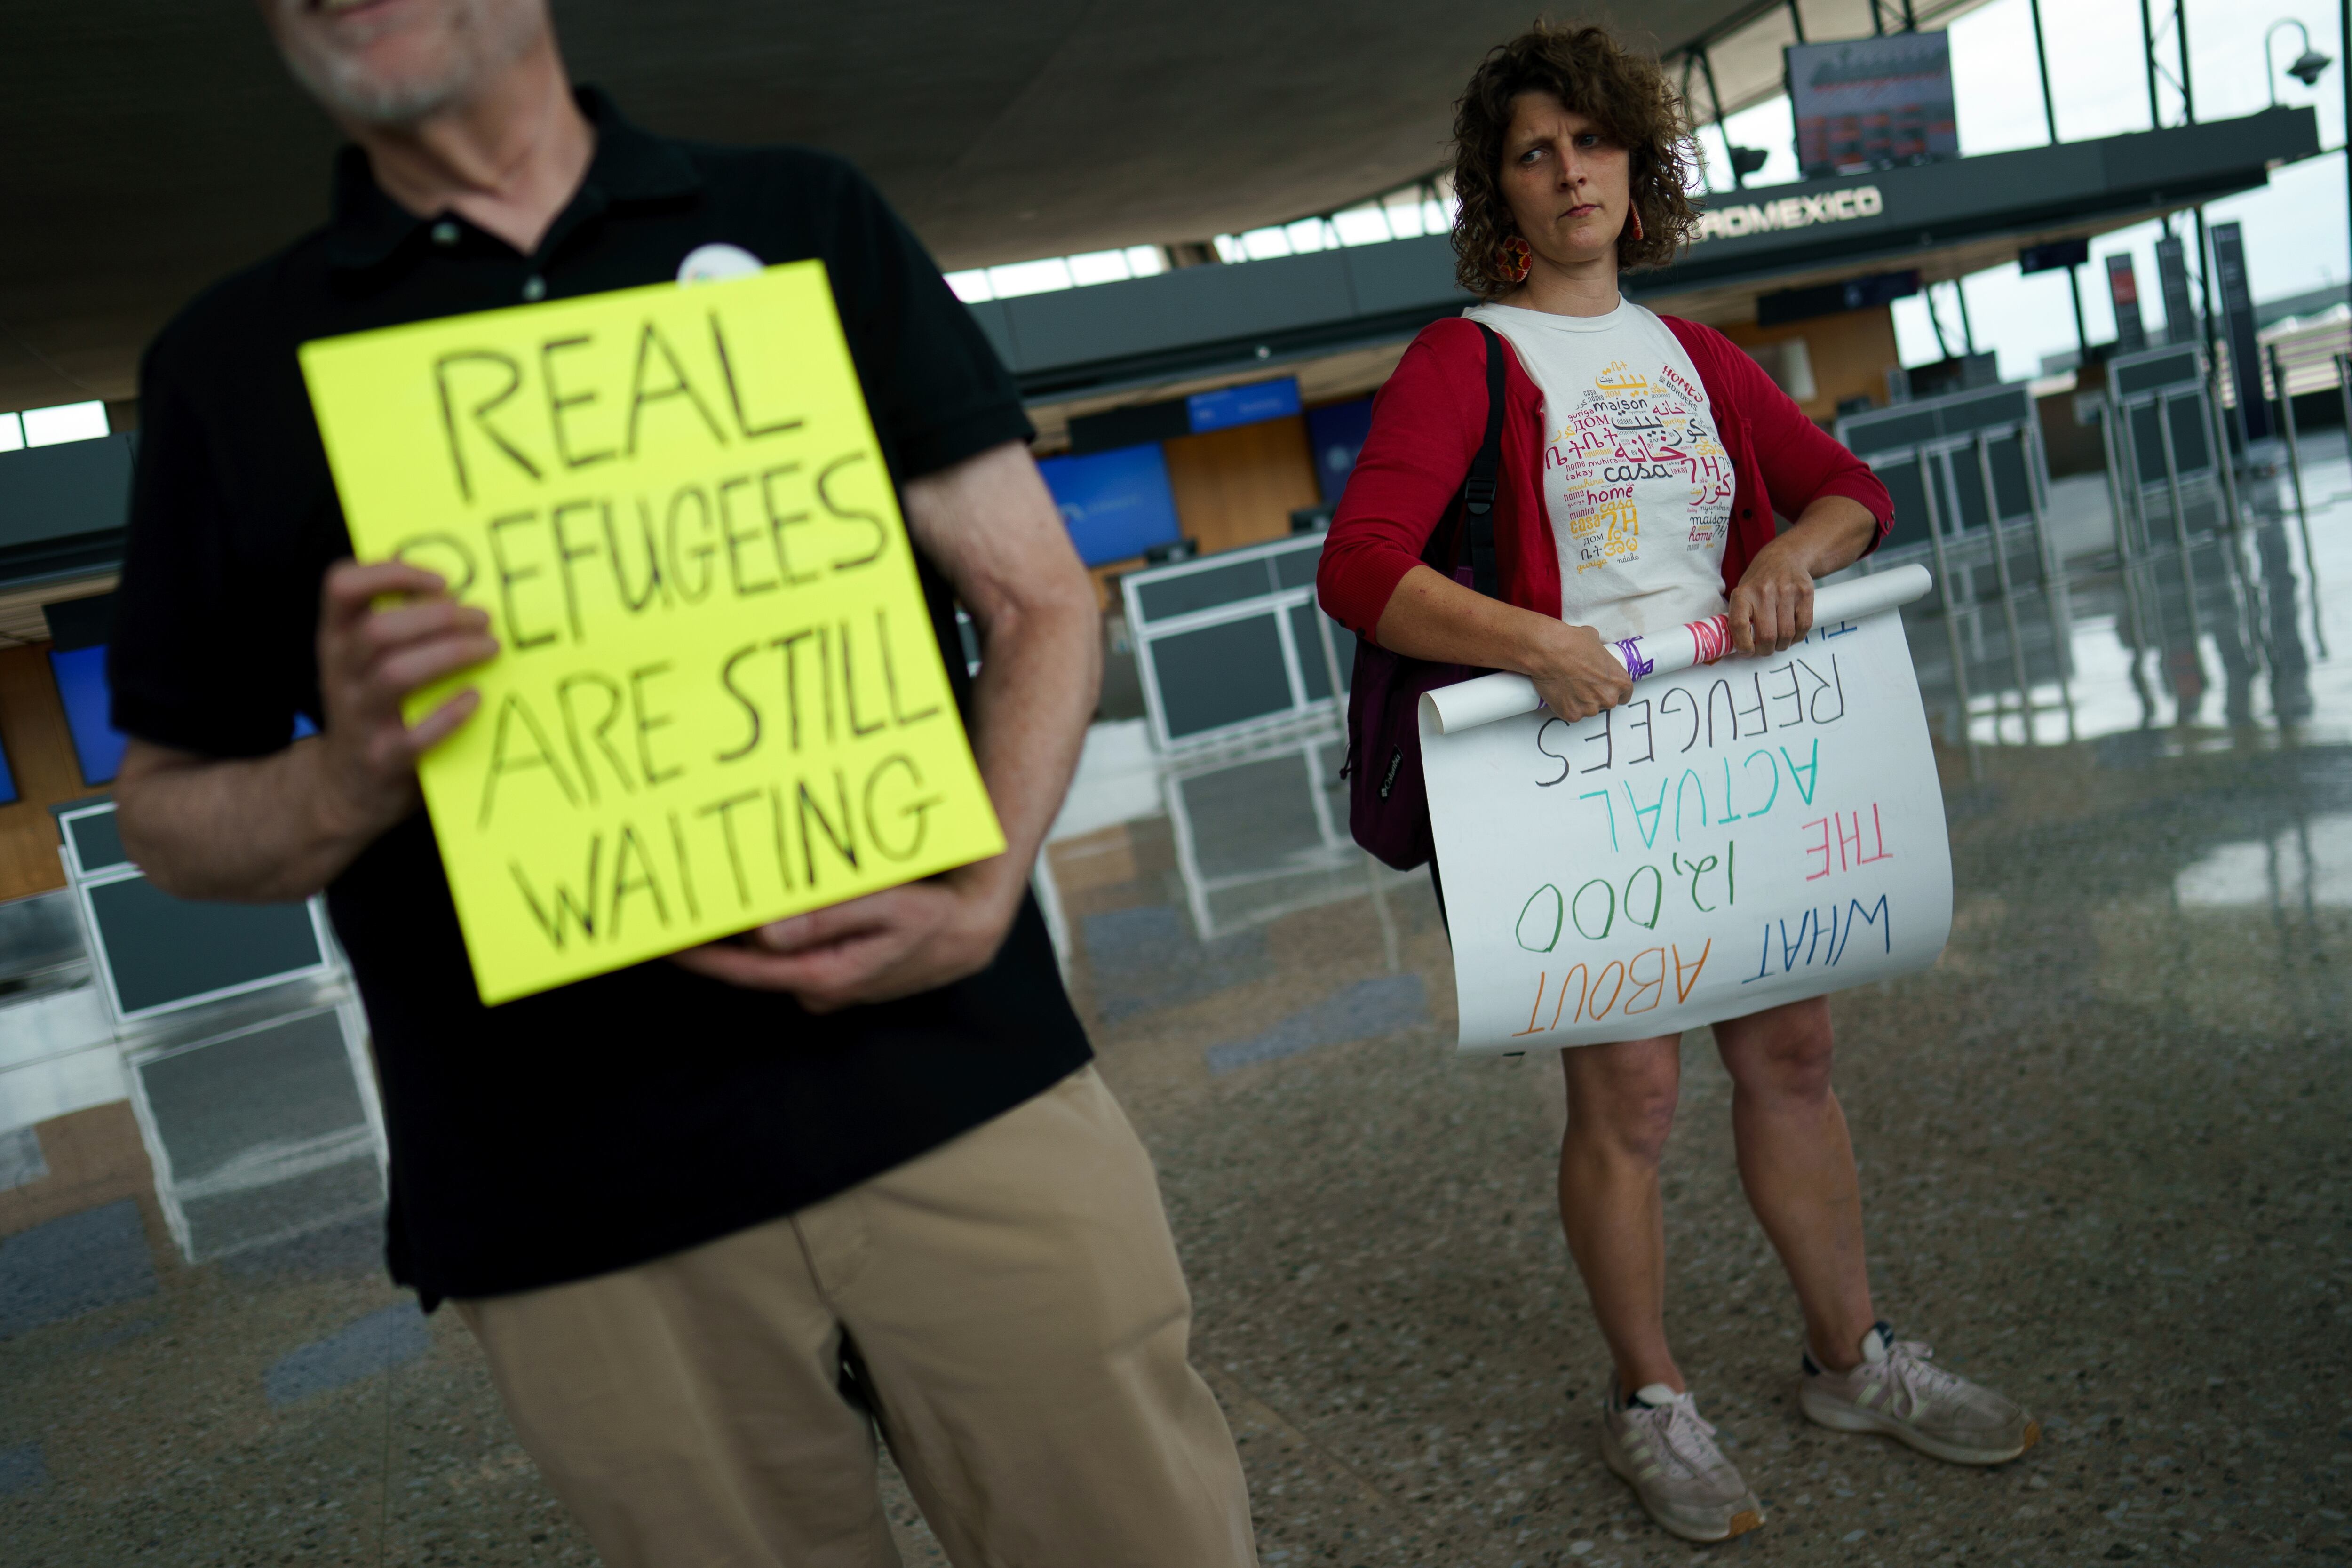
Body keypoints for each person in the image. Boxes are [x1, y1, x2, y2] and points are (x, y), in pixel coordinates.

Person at [106, 3, 1257, 1565]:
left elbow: (1043, 599)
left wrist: (983, 890)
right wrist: (354, 774)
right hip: (569, 1201)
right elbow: (169, 811)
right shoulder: (230, 367)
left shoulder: (798, 222)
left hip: (950, 1082)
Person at [1316, 24, 2038, 1547]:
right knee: (1630, 1091)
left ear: (1637, 169)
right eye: (1534, 149)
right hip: (1573, 773)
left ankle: (1853, 1360)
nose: (1569, 170)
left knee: (1792, 1059)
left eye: (1591, 140)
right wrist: (1535, 641)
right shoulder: (1469, 357)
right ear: (1497, 192)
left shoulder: (1691, 353)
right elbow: (1361, 569)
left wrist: (1783, 552)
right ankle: (1653, 1402)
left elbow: (1852, 493)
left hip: (1735, 763)